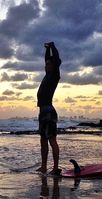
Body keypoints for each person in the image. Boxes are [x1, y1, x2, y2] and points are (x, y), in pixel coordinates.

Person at [36, 42, 61, 174]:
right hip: (42, 113)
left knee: (52, 140)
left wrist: (52, 46)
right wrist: (47, 50)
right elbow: (48, 59)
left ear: (54, 66)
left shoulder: (54, 76)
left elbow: (56, 59)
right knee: (43, 141)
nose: (46, 66)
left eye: (48, 64)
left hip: (49, 113)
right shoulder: (46, 76)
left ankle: (55, 167)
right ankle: (44, 166)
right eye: (46, 64)